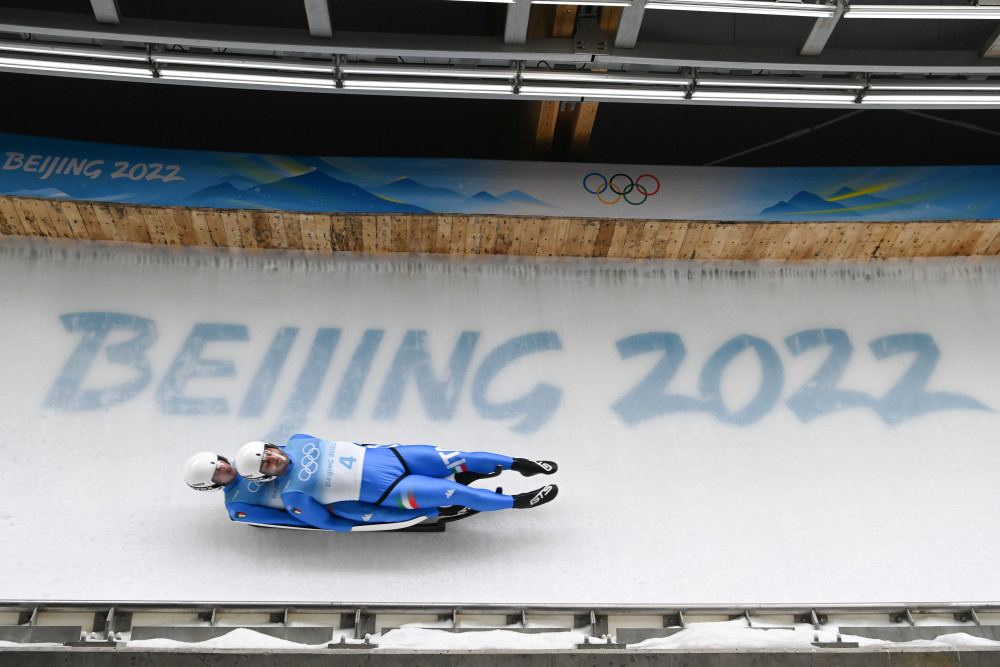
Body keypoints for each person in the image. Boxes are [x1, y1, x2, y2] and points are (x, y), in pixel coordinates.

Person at [233, 435, 559, 532]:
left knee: (463, 456)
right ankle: (518, 501)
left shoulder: (300, 440)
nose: (272, 458)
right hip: (392, 491)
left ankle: (523, 465)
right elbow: (331, 522)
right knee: (456, 492)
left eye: (268, 453)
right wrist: (379, 518)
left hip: (395, 458)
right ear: (265, 476)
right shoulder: (294, 495)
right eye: (266, 464)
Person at [183, 451, 441, 531]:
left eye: (220, 463)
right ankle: (434, 509)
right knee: (354, 508)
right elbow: (285, 520)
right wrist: (325, 522)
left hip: (338, 476)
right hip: (325, 503)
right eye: (217, 472)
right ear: (211, 484)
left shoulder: (251, 457)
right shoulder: (237, 507)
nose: (225, 468)